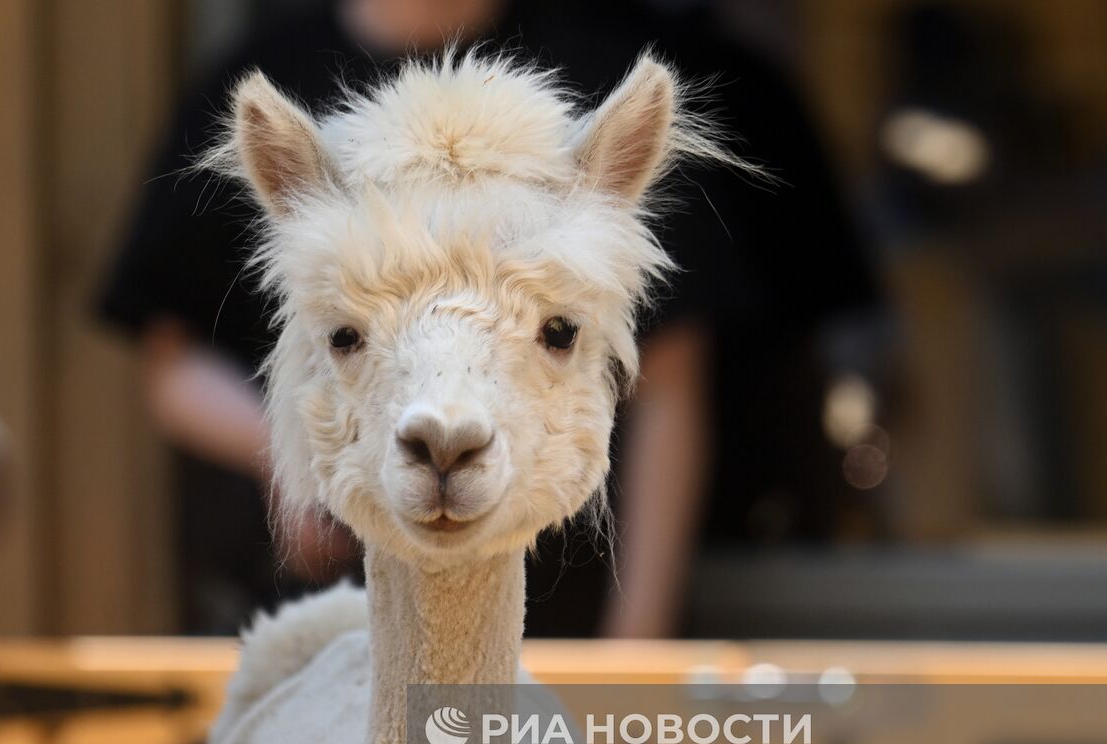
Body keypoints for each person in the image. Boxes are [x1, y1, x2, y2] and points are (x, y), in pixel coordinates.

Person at [97, 0, 877, 636]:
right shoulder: (266, 81)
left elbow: (668, 385)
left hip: (558, 611)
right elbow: (171, 364)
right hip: (320, 607)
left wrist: (633, 645)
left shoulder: (591, 69)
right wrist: (289, 462)